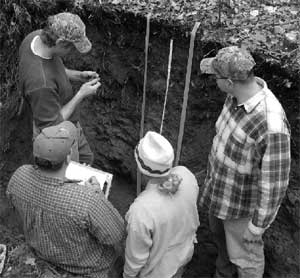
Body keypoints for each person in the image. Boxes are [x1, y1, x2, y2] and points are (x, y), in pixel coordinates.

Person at [199, 46, 291, 278]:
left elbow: (274, 184)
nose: (213, 80)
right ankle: (223, 273)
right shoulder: (234, 97)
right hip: (220, 195)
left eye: (216, 76)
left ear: (230, 81)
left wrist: (257, 226)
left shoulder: (271, 125)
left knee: (246, 260)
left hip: (241, 211)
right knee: (222, 246)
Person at [6, 121, 125, 278]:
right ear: (69, 157)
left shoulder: (19, 176)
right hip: (89, 268)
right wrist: (98, 196)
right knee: (119, 253)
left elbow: (14, 204)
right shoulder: (87, 200)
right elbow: (116, 234)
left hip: (42, 252)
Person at [18, 12, 100, 165]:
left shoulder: (35, 38)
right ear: (61, 42)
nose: (72, 52)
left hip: (67, 120)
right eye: (71, 48)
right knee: (72, 174)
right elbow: (51, 125)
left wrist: (78, 75)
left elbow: (51, 68)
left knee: (86, 159)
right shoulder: (40, 84)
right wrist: (81, 94)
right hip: (56, 136)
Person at [123, 131, 200, 278]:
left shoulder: (141, 210)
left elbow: (136, 259)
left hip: (158, 272)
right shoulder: (186, 174)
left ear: (141, 168)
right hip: (183, 255)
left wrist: (127, 276)